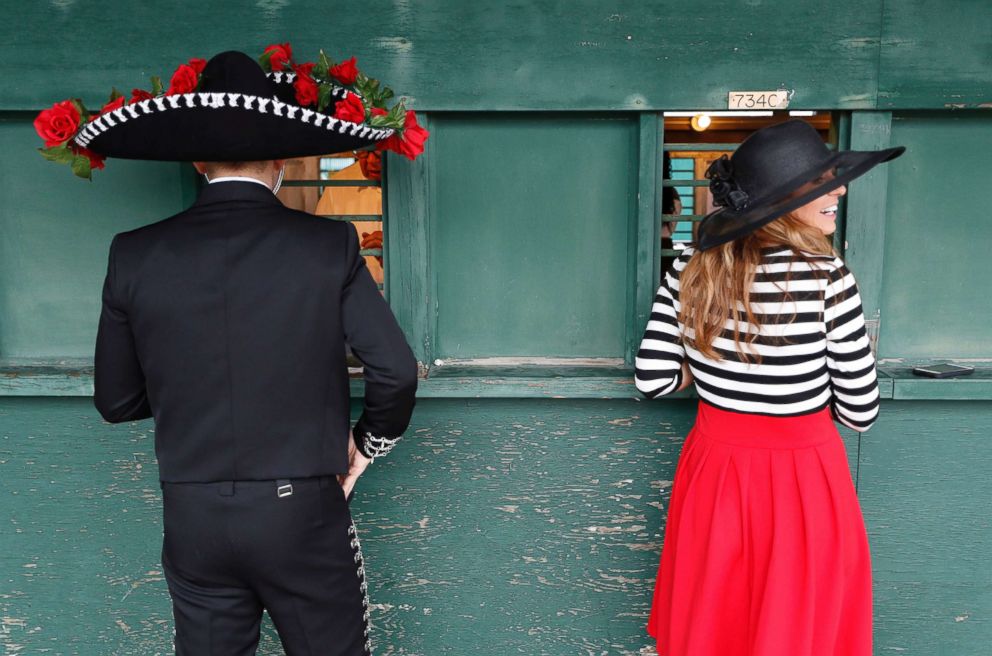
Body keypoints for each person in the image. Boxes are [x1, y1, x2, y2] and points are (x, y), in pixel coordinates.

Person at [84, 51, 421, 654]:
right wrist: (365, 447)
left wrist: (191, 393)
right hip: (301, 509)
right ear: (284, 159)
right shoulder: (327, 245)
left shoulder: (133, 253)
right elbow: (394, 372)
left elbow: (115, 401)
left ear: (196, 159)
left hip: (194, 513)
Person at [634, 119, 904, 656]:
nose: (841, 190)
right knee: (794, 628)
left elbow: (653, 380)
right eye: (825, 181)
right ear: (784, 201)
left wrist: (706, 366)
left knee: (715, 622)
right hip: (802, 478)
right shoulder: (827, 276)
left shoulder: (689, 265)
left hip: (715, 471)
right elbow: (860, 412)